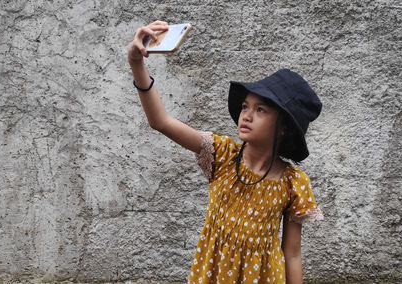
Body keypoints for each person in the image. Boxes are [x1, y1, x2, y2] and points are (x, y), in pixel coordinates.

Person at [127, 21, 324, 284]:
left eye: (261, 110)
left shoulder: (293, 183)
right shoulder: (222, 155)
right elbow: (160, 121)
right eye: (245, 106)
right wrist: (137, 63)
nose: (247, 115)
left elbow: (292, 253)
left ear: (284, 128)